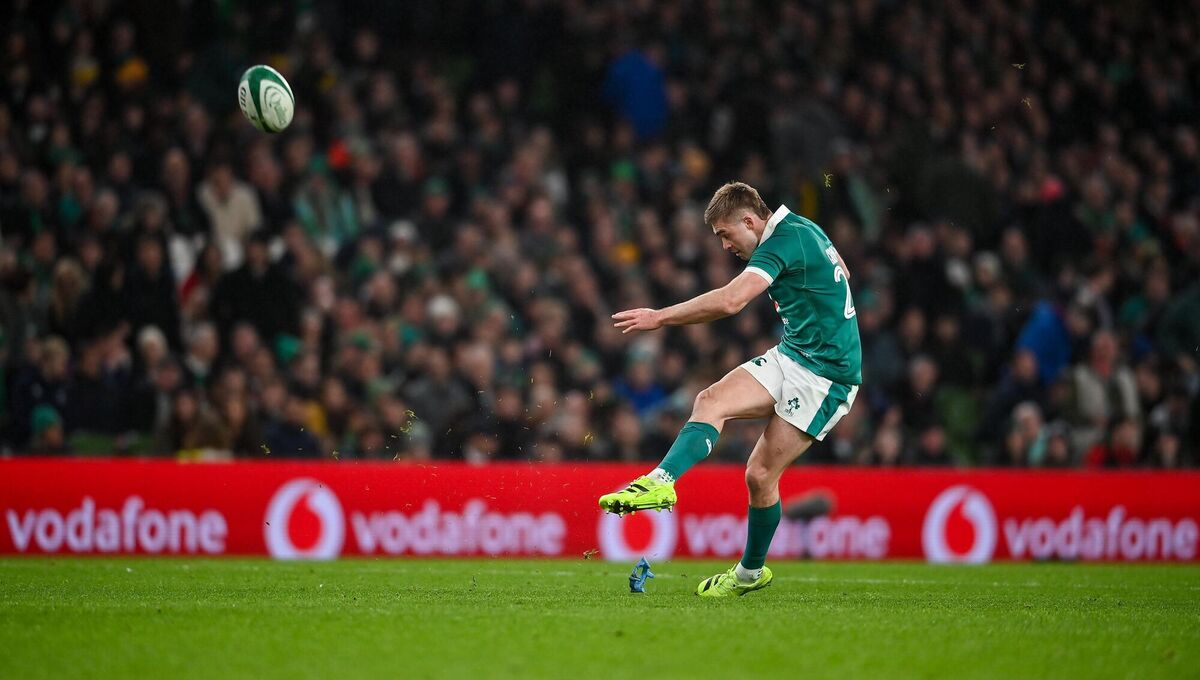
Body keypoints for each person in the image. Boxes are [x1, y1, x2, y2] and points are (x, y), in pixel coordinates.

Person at [599, 182, 861, 597]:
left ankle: (748, 573)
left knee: (759, 475)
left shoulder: (781, 243)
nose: (724, 246)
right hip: (794, 354)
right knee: (709, 400)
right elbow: (842, 267)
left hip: (827, 376)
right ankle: (661, 480)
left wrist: (660, 317)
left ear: (750, 220)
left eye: (726, 234)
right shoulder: (802, 227)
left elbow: (730, 302)